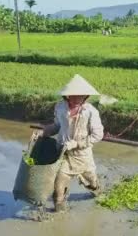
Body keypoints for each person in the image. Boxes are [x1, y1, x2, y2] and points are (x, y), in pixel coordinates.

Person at [42, 75, 104, 213]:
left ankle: (98, 191)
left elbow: (97, 135)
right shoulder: (60, 107)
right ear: (67, 95)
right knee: (59, 182)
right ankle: (59, 208)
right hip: (63, 153)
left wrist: (77, 143)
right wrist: (46, 131)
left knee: (91, 181)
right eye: (73, 95)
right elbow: (58, 125)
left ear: (86, 96)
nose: (77, 98)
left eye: (80, 96)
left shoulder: (91, 112)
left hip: (82, 155)